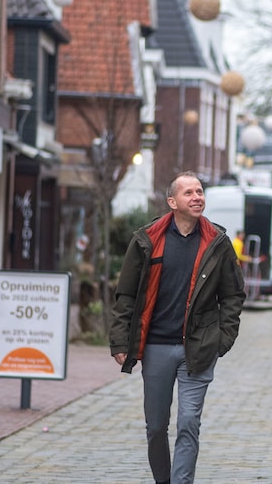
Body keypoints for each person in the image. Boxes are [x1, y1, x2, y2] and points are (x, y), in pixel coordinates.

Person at [110, 172, 246, 484]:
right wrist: (120, 340)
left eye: (200, 191)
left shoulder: (218, 243)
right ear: (172, 202)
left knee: (188, 422)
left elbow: (233, 295)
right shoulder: (147, 240)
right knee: (156, 426)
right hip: (156, 346)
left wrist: (221, 339)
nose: (197, 197)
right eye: (189, 193)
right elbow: (126, 294)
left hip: (197, 348)